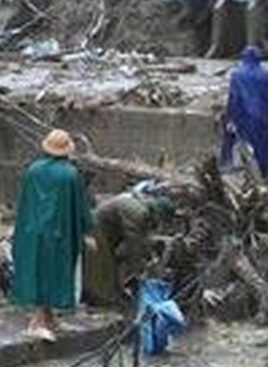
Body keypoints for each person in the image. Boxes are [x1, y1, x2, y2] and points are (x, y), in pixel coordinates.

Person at [11, 129, 95, 342]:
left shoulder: (33, 170)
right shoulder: (70, 174)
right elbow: (80, 206)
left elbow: (24, 203)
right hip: (59, 233)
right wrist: (88, 231)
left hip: (31, 230)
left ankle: (47, 317)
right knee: (53, 273)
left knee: (36, 271)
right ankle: (37, 322)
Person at [82, 184, 177, 309]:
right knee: (102, 267)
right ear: (159, 213)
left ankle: (109, 295)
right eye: (162, 220)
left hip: (109, 233)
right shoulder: (138, 212)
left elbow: (141, 239)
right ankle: (101, 300)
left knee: (110, 266)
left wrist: (146, 254)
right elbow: (134, 244)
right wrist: (139, 268)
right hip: (97, 231)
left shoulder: (143, 209)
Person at [220, 45, 268, 179]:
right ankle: (263, 172)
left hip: (243, 118)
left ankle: (240, 173)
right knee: (263, 146)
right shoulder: (265, 75)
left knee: (243, 146)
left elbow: (234, 98)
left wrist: (230, 118)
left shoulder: (237, 74)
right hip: (263, 118)